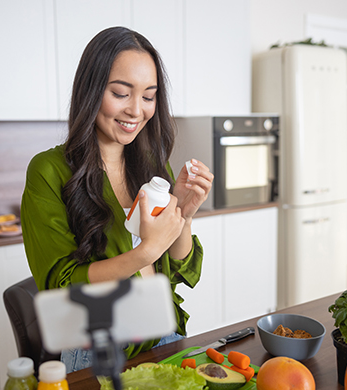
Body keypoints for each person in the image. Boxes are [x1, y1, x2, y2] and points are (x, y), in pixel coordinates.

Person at [21, 26, 213, 372]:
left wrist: (183, 214)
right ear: (92, 90)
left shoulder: (151, 164)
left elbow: (181, 269)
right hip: (97, 351)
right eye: (121, 93)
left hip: (164, 337)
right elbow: (59, 284)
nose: (136, 111)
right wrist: (145, 252)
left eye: (149, 96)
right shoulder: (48, 171)